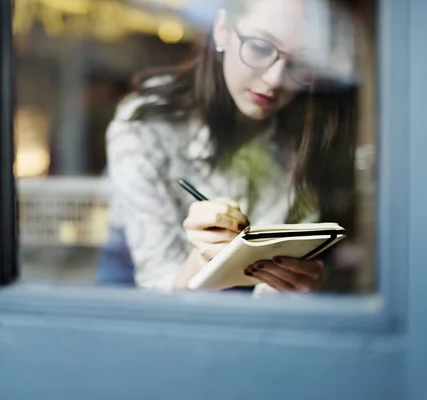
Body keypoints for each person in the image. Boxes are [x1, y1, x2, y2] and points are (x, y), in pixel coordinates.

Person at [104, 0, 359, 294]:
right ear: (222, 29)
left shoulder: (310, 129)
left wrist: (293, 286)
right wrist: (203, 264)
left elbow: (276, 284)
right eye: (261, 49)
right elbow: (156, 281)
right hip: (147, 287)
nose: (274, 79)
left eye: (299, 64)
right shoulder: (145, 124)